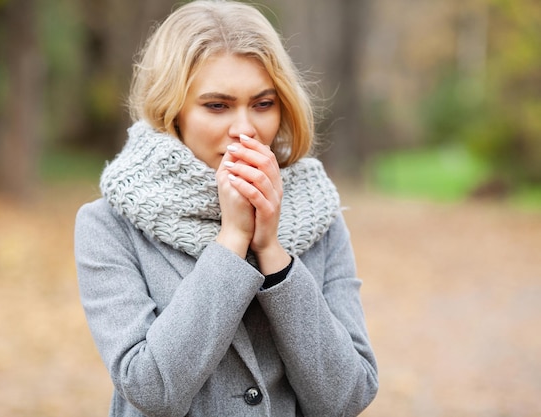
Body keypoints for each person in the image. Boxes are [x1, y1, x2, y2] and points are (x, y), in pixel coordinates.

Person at [74, 1, 378, 416]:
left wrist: (273, 251)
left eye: (263, 103)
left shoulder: (318, 213)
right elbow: (149, 387)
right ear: (172, 110)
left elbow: (348, 396)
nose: (245, 129)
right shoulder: (109, 224)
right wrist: (233, 239)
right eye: (217, 106)